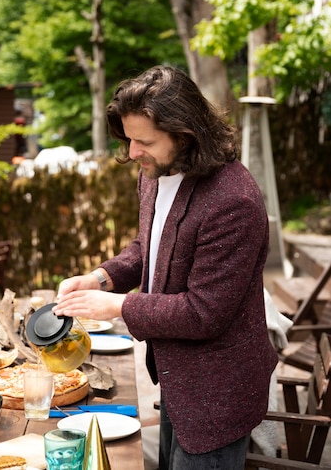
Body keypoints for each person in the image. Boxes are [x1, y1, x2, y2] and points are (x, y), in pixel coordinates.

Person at [53, 65, 278, 470]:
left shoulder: (233, 201)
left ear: (185, 134)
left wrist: (117, 307)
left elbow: (203, 312)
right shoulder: (157, 173)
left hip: (217, 395)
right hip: (176, 377)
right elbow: (150, 246)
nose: (132, 151)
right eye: (129, 138)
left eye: (144, 141)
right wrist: (100, 278)